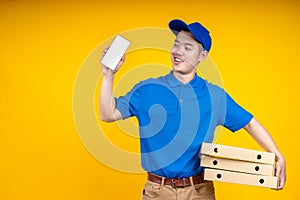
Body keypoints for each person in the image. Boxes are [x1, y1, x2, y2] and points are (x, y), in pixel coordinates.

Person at [100, 19, 286, 200]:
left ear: (202, 56)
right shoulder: (147, 89)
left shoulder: (215, 96)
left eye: (188, 48)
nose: (178, 51)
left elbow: (250, 124)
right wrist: (108, 76)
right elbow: (108, 114)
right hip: (157, 192)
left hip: (199, 192)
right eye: (176, 45)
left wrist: (276, 154)